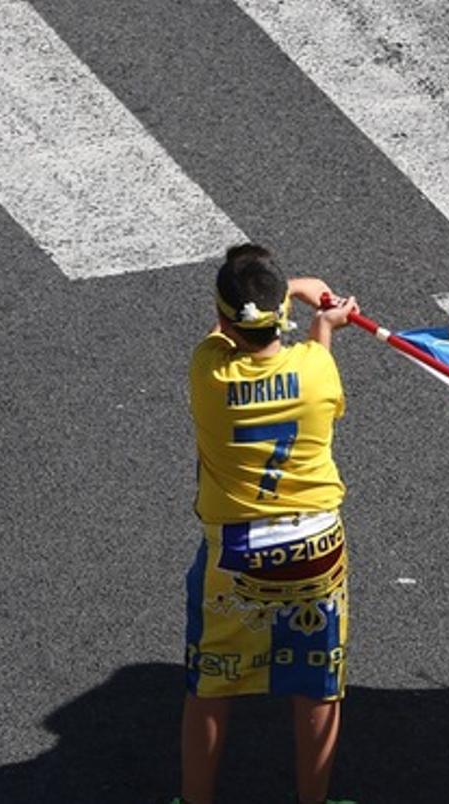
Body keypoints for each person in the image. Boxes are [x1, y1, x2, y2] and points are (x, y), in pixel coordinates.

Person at [176, 243, 359, 804]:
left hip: (236, 551)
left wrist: (292, 287)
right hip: (315, 545)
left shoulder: (209, 372)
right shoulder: (315, 366)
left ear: (227, 320)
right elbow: (320, 397)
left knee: (211, 685)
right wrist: (320, 318)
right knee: (317, 686)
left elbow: (226, 325)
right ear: (282, 315)